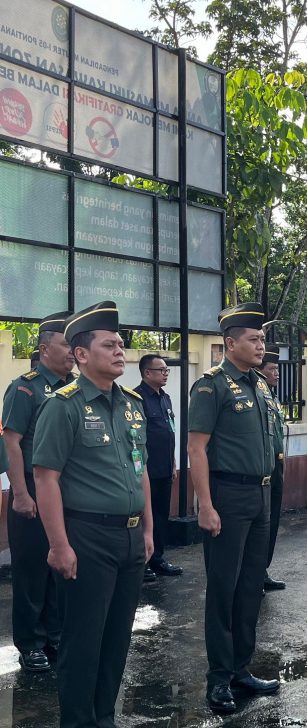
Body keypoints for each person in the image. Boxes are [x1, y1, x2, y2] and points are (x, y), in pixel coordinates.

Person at [32, 301, 153, 727]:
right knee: (83, 643)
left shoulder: (132, 403)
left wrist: (148, 531)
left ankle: (104, 718)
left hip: (130, 538)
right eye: (109, 345)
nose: (120, 351)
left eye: (121, 344)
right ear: (81, 354)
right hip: (87, 537)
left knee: (117, 640)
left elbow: (141, 470)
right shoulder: (63, 405)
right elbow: (45, 478)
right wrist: (59, 546)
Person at [188, 302, 280, 715]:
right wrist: (205, 505)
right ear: (230, 343)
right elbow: (196, 449)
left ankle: (242, 668)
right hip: (227, 495)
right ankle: (219, 678)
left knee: (250, 587)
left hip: (260, 496)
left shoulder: (259, 384)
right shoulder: (211, 386)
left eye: (262, 339)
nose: (261, 345)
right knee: (223, 589)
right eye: (254, 339)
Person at [2, 311, 74, 674]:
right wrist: (19, 493)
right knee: (31, 570)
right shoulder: (25, 388)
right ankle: (30, 643)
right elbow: (11, 442)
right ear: (44, 349)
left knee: (59, 566)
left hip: (65, 491)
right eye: (65, 344)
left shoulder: (75, 388)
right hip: (31, 487)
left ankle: (54, 635)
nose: (72, 351)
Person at [136, 354, 184, 578]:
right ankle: (142, 562)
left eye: (167, 370)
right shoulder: (136, 399)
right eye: (161, 370)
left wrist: (173, 463)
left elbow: (169, 433)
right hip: (146, 470)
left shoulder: (165, 398)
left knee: (161, 515)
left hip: (164, 468)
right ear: (147, 373)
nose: (165, 374)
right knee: (144, 517)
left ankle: (157, 558)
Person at [260, 346, 288, 592]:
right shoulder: (258, 396)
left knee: (272, 522)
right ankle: (253, 574)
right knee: (261, 523)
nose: (276, 373)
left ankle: (262, 570)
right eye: (272, 369)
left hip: (277, 466)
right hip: (263, 468)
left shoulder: (272, 397)